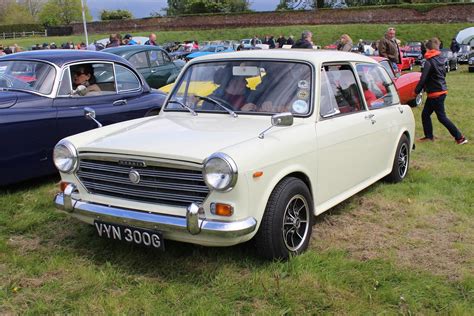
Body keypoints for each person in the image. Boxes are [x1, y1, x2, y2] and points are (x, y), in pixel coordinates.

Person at [415, 38, 467, 145]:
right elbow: (442, 74)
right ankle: (429, 137)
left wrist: (416, 91)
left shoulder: (429, 62)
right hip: (440, 91)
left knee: (442, 117)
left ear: (428, 49)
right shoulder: (440, 58)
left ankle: (460, 137)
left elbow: (423, 78)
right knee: (425, 114)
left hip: (436, 93)